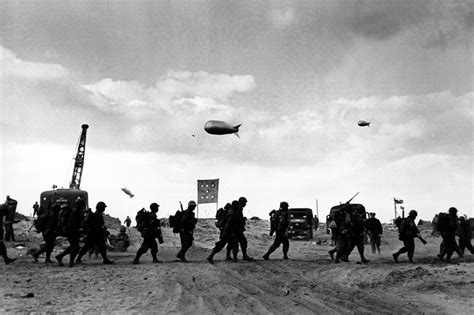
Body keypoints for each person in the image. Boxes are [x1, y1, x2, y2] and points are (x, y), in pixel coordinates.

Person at [55, 198, 85, 267]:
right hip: (72, 232)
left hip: (71, 232)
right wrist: (78, 230)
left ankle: (60, 256)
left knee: (73, 246)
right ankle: (71, 261)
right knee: (75, 247)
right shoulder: (75, 212)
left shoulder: (75, 211)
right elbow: (73, 223)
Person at [228, 197, 254, 261]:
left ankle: (230, 256)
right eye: (244, 202)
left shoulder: (238, 208)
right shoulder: (237, 208)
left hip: (235, 229)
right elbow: (235, 219)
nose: (245, 204)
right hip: (235, 229)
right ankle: (239, 256)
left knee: (235, 242)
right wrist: (242, 219)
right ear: (241, 202)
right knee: (238, 242)